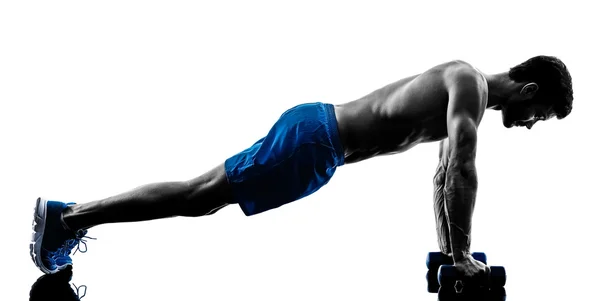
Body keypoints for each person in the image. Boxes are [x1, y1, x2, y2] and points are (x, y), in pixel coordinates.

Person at [30, 55, 573, 283]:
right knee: (197, 196)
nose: (530, 126)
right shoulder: (469, 88)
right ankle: (71, 217)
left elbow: (441, 179)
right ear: (529, 91)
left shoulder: (466, 88)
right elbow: (463, 173)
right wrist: (461, 259)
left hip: (318, 137)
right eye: (539, 116)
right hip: (318, 142)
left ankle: (71, 217)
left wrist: (451, 257)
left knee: (202, 197)